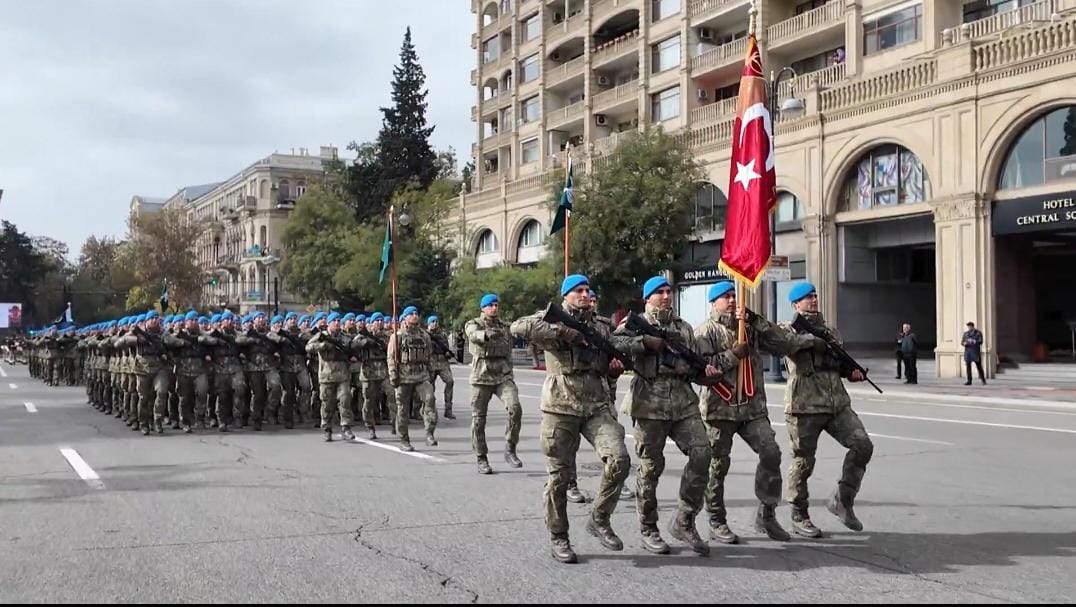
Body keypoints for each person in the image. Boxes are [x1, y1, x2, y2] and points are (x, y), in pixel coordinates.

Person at [511, 274, 631, 564]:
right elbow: (518, 326)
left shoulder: (602, 325)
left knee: (620, 460)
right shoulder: (552, 319)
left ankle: (599, 518)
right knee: (559, 477)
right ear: (565, 296)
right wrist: (562, 332)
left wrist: (614, 368)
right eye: (578, 290)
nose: (584, 294)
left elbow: (613, 357)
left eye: (587, 290)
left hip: (596, 405)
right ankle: (559, 536)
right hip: (560, 405)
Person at [694, 280, 818, 544]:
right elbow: (699, 369)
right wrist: (732, 355)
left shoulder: (750, 328)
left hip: (752, 409)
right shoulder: (705, 331)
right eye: (725, 296)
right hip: (720, 410)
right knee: (718, 466)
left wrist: (755, 319)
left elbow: (784, 344)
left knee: (771, 453)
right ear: (713, 302)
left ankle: (767, 513)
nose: (731, 300)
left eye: (734, 296)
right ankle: (717, 519)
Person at [614, 276, 718, 555]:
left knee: (702, 454)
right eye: (658, 292)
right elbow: (614, 343)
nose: (665, 296)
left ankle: (684, 520)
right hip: (648, 403)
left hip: (683, 402)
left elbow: (697, 364)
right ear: (647, 298)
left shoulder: (683, 327)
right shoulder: (634, 323)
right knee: (650, 467)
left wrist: (707, 374)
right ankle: (649, 528)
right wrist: (645, 343)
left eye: (668, 291)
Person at [781, 282, 874, 537]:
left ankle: (843, 499)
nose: (812, 300)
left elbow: (838, 363)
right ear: (795, 305)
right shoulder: (787, 329)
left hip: (836, 404)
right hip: (804, 405)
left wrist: (852, 373)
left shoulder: (830, 330)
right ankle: (799, 514)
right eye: (806, 297)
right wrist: (813, 340)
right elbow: (785, 345)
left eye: (814, 295)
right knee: (803, 462)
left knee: (863, 445)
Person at [464, 294, 522, 474]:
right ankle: (481, 457)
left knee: (515, 408)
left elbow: (509, 351)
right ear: (483, 308)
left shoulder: (504, 327)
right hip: (481, 377)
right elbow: (472, 334)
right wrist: (485, 335)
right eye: (490, 305)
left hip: (502, 376)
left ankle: (510, 447)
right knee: (478, 419)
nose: (494, 308)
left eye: (496, 305)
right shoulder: (474, 323)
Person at [387, 306, 439, 451]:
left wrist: (431, 373)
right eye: (411, 314)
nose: (415, 316)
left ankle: (429, 432)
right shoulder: (397, 336)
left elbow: (429, 356)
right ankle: (404, 438)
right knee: (403, 409)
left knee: (430, 399)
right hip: (403, 377)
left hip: (421, 375)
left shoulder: (424, 335)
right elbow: (391, 357)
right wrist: (393, 375)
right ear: (405, 317)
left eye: (416, 313)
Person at [306, 312, 355, 442]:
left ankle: (346, 427)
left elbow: (352, 348)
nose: (337, 323)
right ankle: (327, 428)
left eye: (339, 320)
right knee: (327, 403)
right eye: (335, 321)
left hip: (342, 374)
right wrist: (322, 346)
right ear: (329, 323)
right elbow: (308, 347)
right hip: (326, 375)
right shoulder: (322, 336)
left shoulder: (344, 337)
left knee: (345, 399)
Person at [427, 315, 456, 420]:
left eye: (436, 321)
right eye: (432, 321)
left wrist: (448, 353)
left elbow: (446, 348)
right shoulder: (426, 335)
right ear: (429, 323)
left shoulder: (443, 335)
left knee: (450, 382)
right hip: (431, 362)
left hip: (443, 362)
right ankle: (430, 410)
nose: (435, 323)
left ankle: (448, 410)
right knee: (430, 387)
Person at [961, 322, 987, 386]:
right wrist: (964, 343)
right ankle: (969, 381)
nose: (969, 328)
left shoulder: (978, 333)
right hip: (968, 352)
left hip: (975, 352)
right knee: (968, 367)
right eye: (968, 327)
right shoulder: (966, 334)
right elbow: (962, 342)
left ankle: (983, 380)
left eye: (970, 327)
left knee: (979, 367)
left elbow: (981, 341)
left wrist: (974, 341)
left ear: (973, 326)